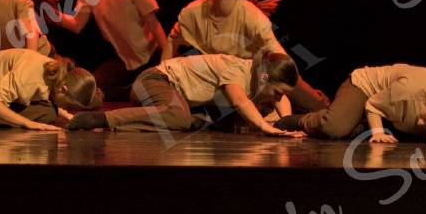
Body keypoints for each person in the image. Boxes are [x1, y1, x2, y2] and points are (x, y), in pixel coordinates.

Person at [51, 0, 168, 100]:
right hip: (122, 59)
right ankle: (131, 91)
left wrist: (168, 61)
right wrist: (52, 14)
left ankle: (135, 91)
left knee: (150, 92)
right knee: (91, 89)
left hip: (150, 57)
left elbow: (155, 26)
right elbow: (77, 25)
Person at [105, 52, 301, 139]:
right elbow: (239, 100)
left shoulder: (259, 79)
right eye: (276, 92)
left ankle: (130, 122)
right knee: (179, 117)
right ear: (265, 77)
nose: (277, 98)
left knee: (198, 120)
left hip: (169, 97)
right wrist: (265, 126)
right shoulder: (239, 70)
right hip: (153, 82)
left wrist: (287, 125)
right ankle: (102, 119)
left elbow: (282, 98)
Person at [278, 64, 426, 144]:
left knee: (355, 130)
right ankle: (295, 120)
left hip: (395, 108)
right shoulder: (408, 91)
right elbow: (373, 105)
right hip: (366, 88)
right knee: (335, 127)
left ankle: (346, 115)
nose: (420, 123)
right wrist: (377, 132)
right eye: (424, 119)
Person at [164, 0, 285, 63]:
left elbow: (277, 52)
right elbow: (173, 39)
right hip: (213, 69)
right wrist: (163, 74)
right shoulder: (194, 11)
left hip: (246, 70)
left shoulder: (251, 16)